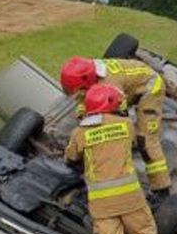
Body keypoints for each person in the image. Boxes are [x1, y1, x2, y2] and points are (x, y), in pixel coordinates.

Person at [64, 84, 158, 234]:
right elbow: (138, 144)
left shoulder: (80, 133)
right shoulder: (125, 125)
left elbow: (70, 159)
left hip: (100, 204)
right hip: (129, 199)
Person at [59, 55, 171, 199]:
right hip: (129, 85)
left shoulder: (111, 85)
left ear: (87, 82)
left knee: (145, 139)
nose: (72, 94)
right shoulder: (89, 75)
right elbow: (84, 99)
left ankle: (161, 189)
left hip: (150, 88)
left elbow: (117, 120)